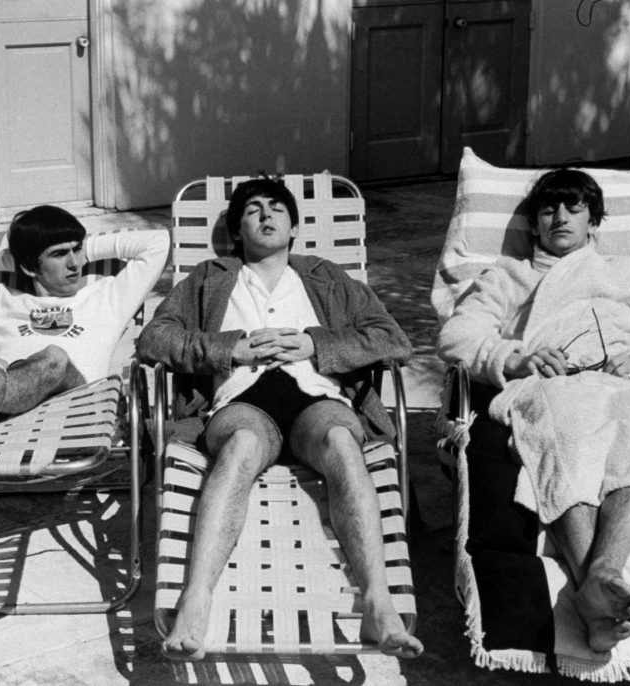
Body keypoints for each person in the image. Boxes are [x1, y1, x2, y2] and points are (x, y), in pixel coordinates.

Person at [136, 176, 423, 661]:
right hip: (241, 400)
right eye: (253, 210)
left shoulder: (325, 276)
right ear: (237, 229)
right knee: (242, 446)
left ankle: (378, 600)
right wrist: (231, 348)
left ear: (294, 227)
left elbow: (392, 338)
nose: (266, 216)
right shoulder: (209, 276)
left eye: (277, 209)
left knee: (341, 439)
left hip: (317, 395)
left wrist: (317, 344)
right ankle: (195, 600)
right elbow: (154, 338)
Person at [437, 168, 630, 653]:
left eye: (574, 208)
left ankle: (595, 590)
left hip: (626, 383)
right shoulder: (508, 277)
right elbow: (458, 336)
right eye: (547, 209)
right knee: (566, 433)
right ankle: (602, 579)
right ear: (535, 225)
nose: (560, 216)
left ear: (594, 222)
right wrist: (513, 358)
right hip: (551, 385)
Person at [0, 205, 169, 465]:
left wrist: (82, 249)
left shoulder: (108, 298)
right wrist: (21, 257)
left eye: (77, 249)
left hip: (78, 412)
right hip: (4, 421)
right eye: (59, 254)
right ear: (28, 267)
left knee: (54, 358)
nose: (74, 263)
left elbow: (157, 241)